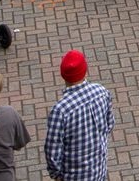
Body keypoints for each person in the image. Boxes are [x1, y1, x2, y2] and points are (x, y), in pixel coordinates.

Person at [44, 50, 114, 181]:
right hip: (99, 171)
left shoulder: (60, 110)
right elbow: (109, 124)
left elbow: (52, 151)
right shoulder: (102, 92)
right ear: (85, 70)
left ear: (63, 75)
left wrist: (57, 175)